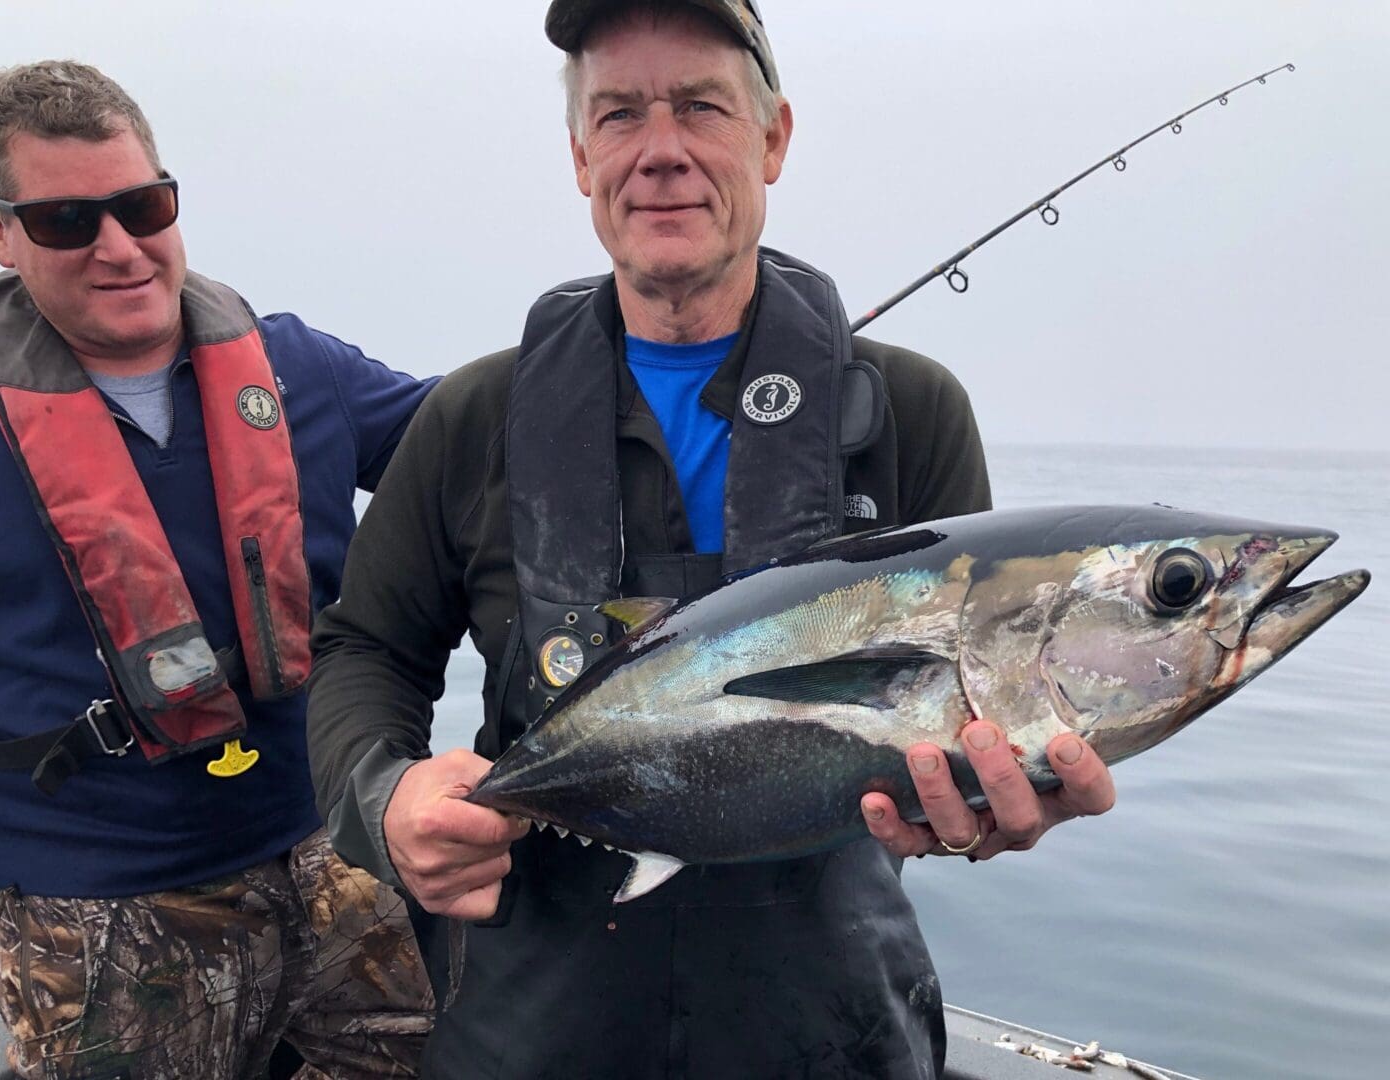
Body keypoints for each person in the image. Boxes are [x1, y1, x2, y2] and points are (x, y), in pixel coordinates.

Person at [307, 3, 1118, 1077]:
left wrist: (992, 803)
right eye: (621, 114)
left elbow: (968, 714)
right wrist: (387, 796)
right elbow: (365, 650)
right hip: (530, 1017)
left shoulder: (910, 414)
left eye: (701, 107)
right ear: (580, 156)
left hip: (831, 1020)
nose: (661, 152)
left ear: (773, 137)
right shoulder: (474, 418)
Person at [0, 60, 437, 1077]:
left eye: (143, 206)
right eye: (66, 222)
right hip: (97, 911)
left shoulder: (296, 365)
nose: (120, 248)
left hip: (330, 853)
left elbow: (477, 448)